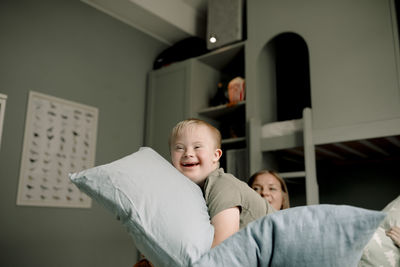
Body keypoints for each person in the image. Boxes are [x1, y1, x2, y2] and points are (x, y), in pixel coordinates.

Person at [169, 118, 275, 248]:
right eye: (179, 148)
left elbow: (223, 247)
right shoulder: (192, 193)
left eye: (197, 147)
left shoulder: (222, 185)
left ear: (216, 155)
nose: (188, 153)